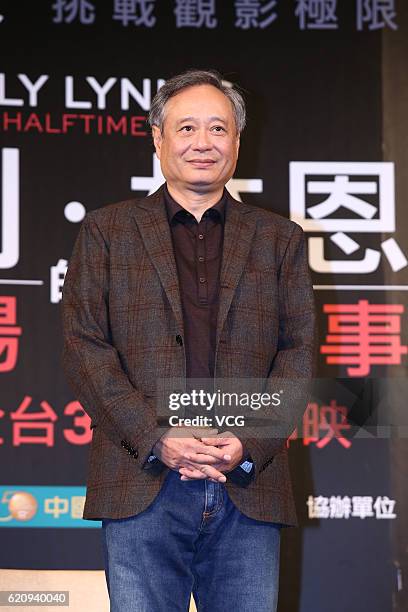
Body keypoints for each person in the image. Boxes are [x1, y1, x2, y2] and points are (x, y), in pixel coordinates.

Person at [61, 69, 316, 612]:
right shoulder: (107, 231)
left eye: (219, 129)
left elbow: (297, 355)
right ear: (158, 139)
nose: (203, 143)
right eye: (187, 128)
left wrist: (248, 442)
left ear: (238, 142)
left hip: (249, 482)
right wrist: (158, 437)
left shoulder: (280, 239)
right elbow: (84, 348)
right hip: (141, 482)